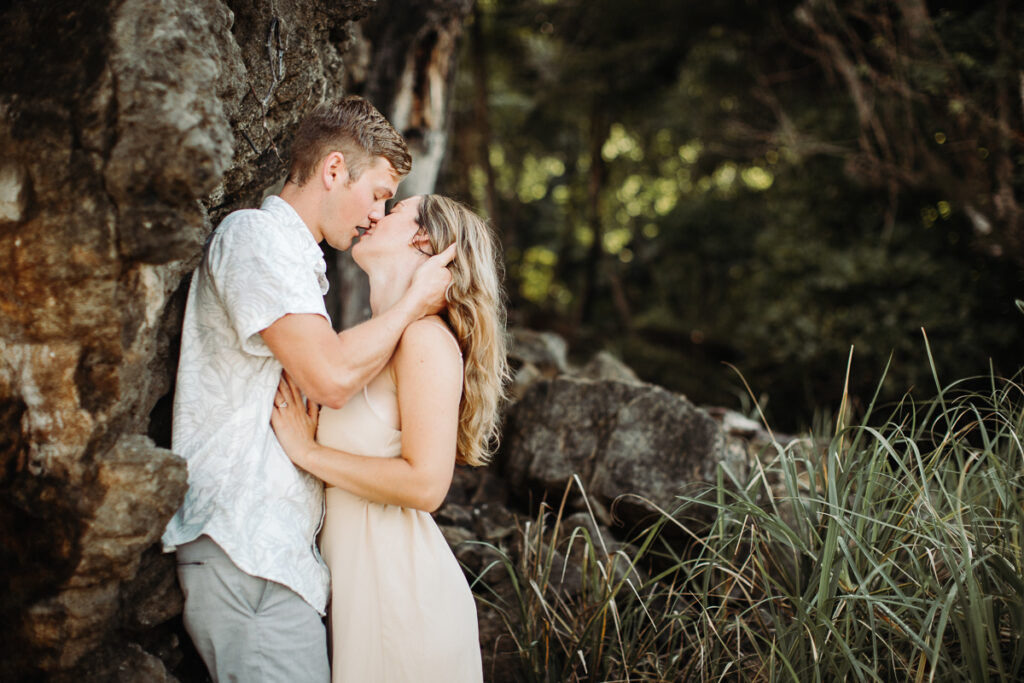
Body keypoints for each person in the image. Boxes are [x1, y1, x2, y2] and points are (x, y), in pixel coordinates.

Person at [161, 97, 455, 683]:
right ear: (333, 169)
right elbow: (332, 378)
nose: (377, 214)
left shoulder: (298, 267)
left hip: (276, 564)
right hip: (247, 548)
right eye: (376, 193)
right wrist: (416, 304)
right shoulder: (255, 237)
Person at [270, 194, 508, 683]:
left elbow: (426, 486)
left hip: (404, 603)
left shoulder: (424, 339)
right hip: (365, 595)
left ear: (422, 237)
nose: (375, 214)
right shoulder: (378, 339)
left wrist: (308, 452)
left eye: (393, 208)